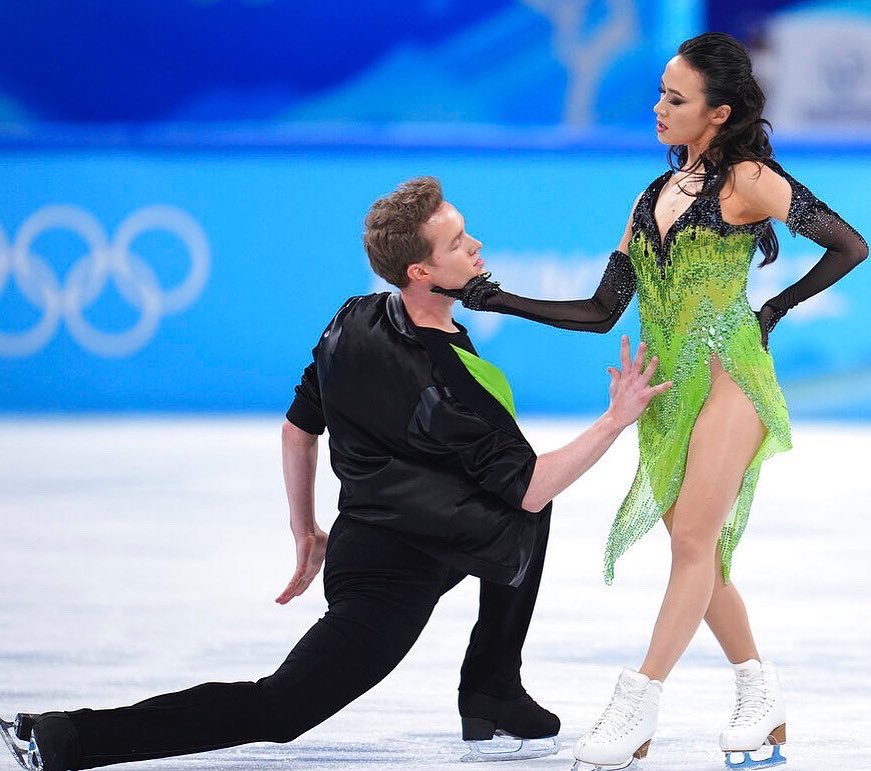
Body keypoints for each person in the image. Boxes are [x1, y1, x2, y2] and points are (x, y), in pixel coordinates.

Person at [1, 177, 670, 771]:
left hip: (393, 534)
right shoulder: (450, 380)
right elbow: (528, 484)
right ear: (420, 270)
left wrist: (307, 527)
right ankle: (68, 738)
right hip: (393, 572)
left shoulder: (354, 316)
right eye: (459, 241)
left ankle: (491, 686)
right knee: (281, 707)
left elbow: (299, 425)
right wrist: (615, 419)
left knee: (524, 507)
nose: (478, 246)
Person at [436, 33, 867, 771]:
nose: (658, 108)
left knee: (695, 542)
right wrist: (497, 296)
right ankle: (760, 693)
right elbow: (603, 310)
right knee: (694, 550)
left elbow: (849, 244)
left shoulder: (749, 180)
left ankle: (636, 704)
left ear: (717, 112)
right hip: (666, 386)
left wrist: (773, 310)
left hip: (731, 369)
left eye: (676, 98)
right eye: (659, 93)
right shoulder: (648, 197)